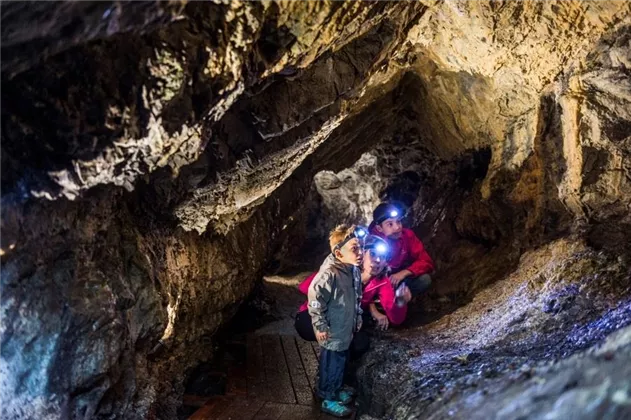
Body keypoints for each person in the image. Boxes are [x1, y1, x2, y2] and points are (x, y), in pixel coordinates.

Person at [307, 224, 364, 417]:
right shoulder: (330, 273)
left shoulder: (352, 270)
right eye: (354, 249)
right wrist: (319, 325)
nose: (360, 252)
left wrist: (358, 317)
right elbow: (315, 299)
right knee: (331, 362)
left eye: (360, 247)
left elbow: (357, 296)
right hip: (332, 329)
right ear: (339, 254)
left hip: (345, 327)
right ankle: (327, 397)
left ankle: (336, 388)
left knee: (340, 360)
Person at [369, 202, 435, 298]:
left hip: (398, 279)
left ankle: (403, 301)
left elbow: (426, 261)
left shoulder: (407, 236)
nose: (397, 227)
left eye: (398, 222)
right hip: (378, 283)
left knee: (424, 280)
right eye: (390, 224)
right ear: (379, 228)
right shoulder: (371, 243)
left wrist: (404, 273)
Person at [361, 235, 412, 330]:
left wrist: (400, 302)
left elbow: (396, 319)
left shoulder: (382, 281)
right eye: (372, 254)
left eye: (382, 257)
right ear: (363, 254)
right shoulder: (348, 271)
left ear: (386, 263)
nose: (378, 260)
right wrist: (373, 310)